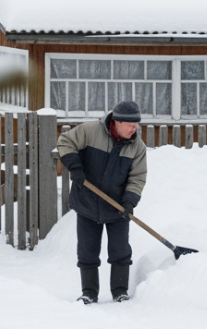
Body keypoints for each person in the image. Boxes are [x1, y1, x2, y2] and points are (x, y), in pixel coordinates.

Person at [57, 100, 147, 304]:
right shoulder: (90, 131)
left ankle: (120, 292)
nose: (135, 129)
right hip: (87, 203)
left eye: (137, 124)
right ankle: (89, 292)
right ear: (117, 121)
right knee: (87, 251)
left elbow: (138, 177)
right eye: (131, 124)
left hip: (117, 207)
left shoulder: (137, 147)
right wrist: (76, 168)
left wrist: (129, 201)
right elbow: (65, 142)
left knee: (120, 250)